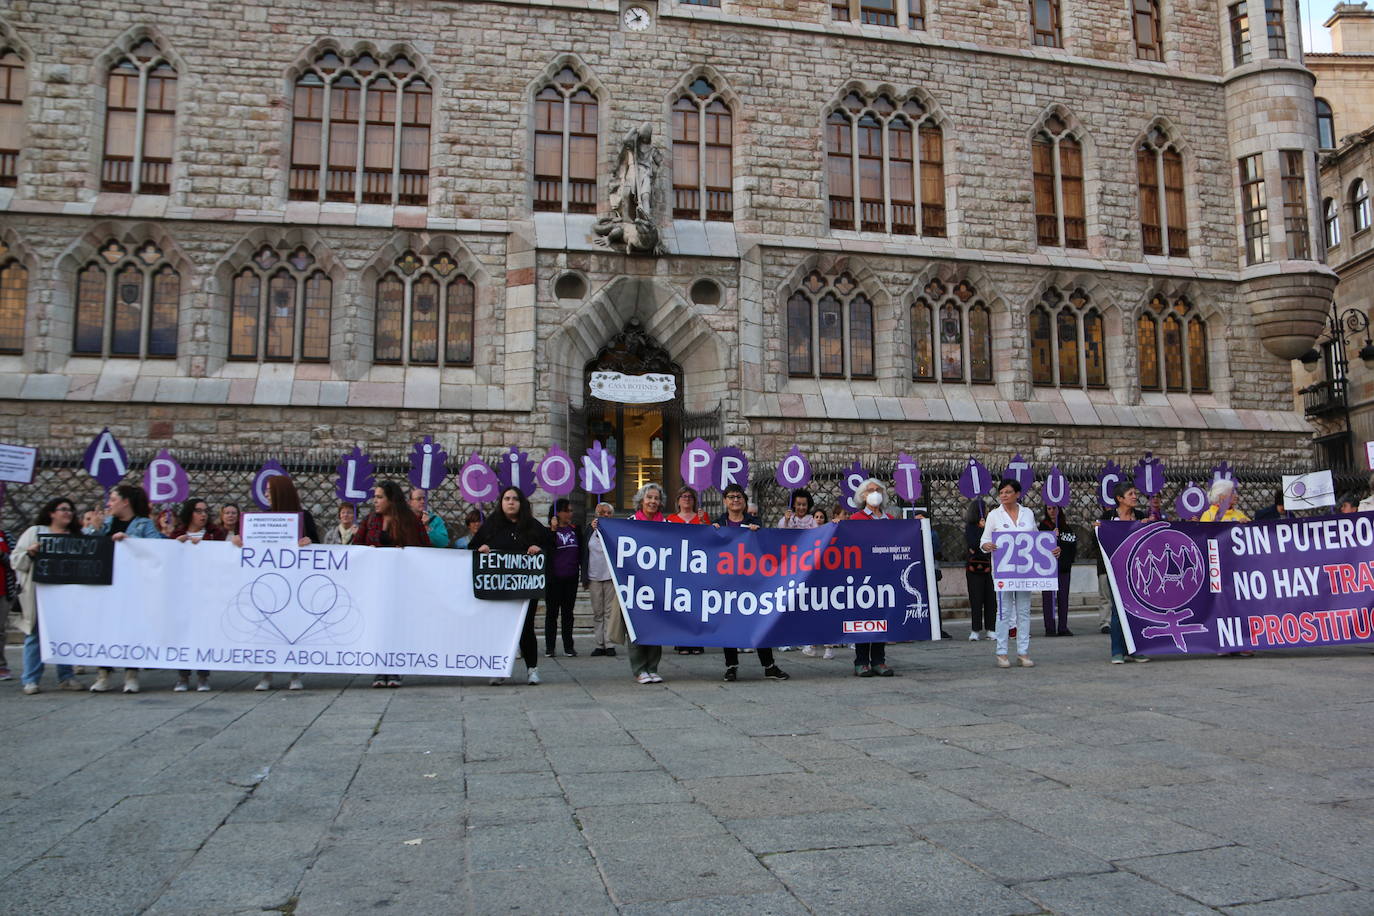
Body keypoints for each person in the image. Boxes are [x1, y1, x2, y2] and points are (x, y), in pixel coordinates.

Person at [241, 477, 319, 691]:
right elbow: (251, 543)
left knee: (293, 628)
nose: (266, 494)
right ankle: (266, 674)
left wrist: (308, 543)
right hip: (269, 583)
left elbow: (318, 546)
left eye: (269, 490)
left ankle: (295, 673)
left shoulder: (304, 518)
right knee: (269, 628)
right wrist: (239, 541)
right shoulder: (263, 519)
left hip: (295, 583)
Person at [469, 486, 551, 686]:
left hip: (525, 587)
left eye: (515, 498)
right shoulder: (491, 525)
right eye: (507, 498)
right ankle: (498, 668)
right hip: (500, 588)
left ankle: (532, 669)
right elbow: (472, 547)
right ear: (501, 502)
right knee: (500, 628)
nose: (511, 502)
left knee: (526, 628)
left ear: (521, 503)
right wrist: (482, 549)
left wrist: (538, 548)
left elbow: (550, 544)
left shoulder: (532, 526)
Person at [354, 480, 429, 687]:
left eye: (379, 497)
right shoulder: (370, 521)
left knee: (397, 624)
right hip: (376, 584)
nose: (375, 501)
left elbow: (425, 549)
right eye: (375, 497)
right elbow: (355, 548)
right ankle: (379, 669)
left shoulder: (410, 521)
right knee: (378, 624)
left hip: (402, 584)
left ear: (391, 499)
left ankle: (395, 667)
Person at [714, 482, 790, 681]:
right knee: (728, 624)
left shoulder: (755, 523)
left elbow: (767, 548)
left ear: (745, 501)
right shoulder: (718, 523)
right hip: (728, 582)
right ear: (725, 501)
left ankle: (769, 665)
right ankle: (731, 665)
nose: (735, 500)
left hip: (752, 581)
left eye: (739, 497)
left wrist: (759, 534)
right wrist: (711, 533)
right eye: (731, 497)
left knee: (759, 622)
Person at [92, 484, 163, 693]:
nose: (109, 503)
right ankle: (103, 674)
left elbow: (159, 546)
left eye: (113, 499)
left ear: (125, 502)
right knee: (104, 628)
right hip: (105, 583)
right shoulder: (105, 524)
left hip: (132, 585)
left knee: (131, 627)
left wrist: (132, 541)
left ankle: (131, 674)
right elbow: (86, 548)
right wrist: (94, 529)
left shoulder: (143, 524)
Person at [981, 478, 1057, 669]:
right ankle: (1002, 652)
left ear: (1017, 494)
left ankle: (1023, 652)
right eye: (1001, 492)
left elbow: (1036, 539)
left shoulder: (1028, 513)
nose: (1004, 496)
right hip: (1004, 571)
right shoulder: (994, 516)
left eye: (1007, 492)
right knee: (1004, 611)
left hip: (1025, 571)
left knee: (1023, 611)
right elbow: (984, 540)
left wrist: (1051, 549)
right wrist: (986, 546)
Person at [14, 498, 83, 693]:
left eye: (70, 510)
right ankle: (31, 679)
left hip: (66, 593)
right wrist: (30, 553)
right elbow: (15, 560)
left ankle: (66, 676)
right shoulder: (35, 532)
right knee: (35, 635)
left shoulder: (77, 536)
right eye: (63, 509)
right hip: (39, 592)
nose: (68, 513)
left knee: (65, 634)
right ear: (51, 513)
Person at [170, 496, 224, 692]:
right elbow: (168, 556)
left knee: (204, 631)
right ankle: (183, 675)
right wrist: (177, 544)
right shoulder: (178, 533)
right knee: (183, 631)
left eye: (205, 511)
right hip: (184, 589)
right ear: (189, 513)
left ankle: (203, 675)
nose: (203, 515)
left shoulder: (214, 533)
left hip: (207, 589)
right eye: (198, 511)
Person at [1197, 478, 1254, 657]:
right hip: (1218, 569)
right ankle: (1222, 642)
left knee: (1240, 606)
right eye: (1232, 493)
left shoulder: (1239, 515)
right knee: (1220, 607)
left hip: (1238, 568)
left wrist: (1247, 526)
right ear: (1222, 497)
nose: (1236, 496)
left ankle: (1242, 642)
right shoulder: (1208, 515)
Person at [847, 478, 898, 676]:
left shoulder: (891, 520)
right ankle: (861, 661)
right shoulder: (856, 519)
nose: (874, 493)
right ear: (862, 496)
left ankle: (879, 660)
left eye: (877, 490)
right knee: (863, 618)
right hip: (863, 577)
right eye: (870, 490)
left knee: (882, 618)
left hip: (886, 576)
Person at [1096, 481, 1150, 664]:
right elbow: (1100, 539)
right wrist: (1098, 528)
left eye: (1135, 493)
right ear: (1119, 499)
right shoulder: (1108, 517)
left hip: (1138, 571)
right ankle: (1117, 651)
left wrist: (1146, 526)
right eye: (1130, 494)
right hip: (1115, 571)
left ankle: (1134, 649)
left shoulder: (1141, 516)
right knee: (1119, 611)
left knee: (1138, 610)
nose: (1135, 496)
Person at [625, 483, 666, 683]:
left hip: (658, 584)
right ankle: (639, 668)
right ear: (641, 501)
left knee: (657, 626)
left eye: (656, 498)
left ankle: (653, 666)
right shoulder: (630, 522)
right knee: (637, 627)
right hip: (635, 584)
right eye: (649, 497)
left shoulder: (666, 523)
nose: (653, 501)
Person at [666, 487, 709, 655]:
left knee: (697, 605)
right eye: (683, 496)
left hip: (698, 566)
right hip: (679, 567)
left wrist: (704, 524)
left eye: (690, 496)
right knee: (680, 605)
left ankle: (697, 641)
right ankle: (682, 641)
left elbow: (708, 538)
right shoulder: (671, 519)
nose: (687, 499)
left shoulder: (702, 517)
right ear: (677, 500)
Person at [545, 497, 582, 658]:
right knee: (552, 613)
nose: (570, 513)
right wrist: (553, 531)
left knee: (568, 613)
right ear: (557, 513)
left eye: (571, 510)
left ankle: (569, 646)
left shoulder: (575, 530)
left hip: (571, 577)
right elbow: (548, 549)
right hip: (554, 579)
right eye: (567, 510)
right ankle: (550, 647)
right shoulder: (548, 532)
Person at [581, 502, 617, 658]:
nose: (605, 515)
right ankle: (599, 644)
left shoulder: (615, 530)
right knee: (598, 612)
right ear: (596, 514)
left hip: (609, 576)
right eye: (602, 513)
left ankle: (609, 644)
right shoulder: (589, 530)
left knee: (609, 612)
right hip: (594, 575)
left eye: (608, 513)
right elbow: (583, 551)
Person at [1039, 505, 1077, 637]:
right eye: (1049, 509)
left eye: (1054, 508)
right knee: (1048, 598)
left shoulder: (1066, 528)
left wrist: (1059, 540)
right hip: (1048, 569)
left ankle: (1062, 627)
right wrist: (1050, 536)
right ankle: (1049, 627)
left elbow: (1071, 547)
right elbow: (1039, 546)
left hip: (1063, 568)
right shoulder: (1043, 527)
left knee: (1063, 598)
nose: (1052, 512)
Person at [964, 499, 995, 642]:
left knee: (990, 599)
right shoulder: (970, 527)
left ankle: (991, 629)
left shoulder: (990, 525)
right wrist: (982, 530)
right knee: (976, 599)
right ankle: (975, 629)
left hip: (990, 566)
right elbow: (974, 544)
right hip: (974, 568)